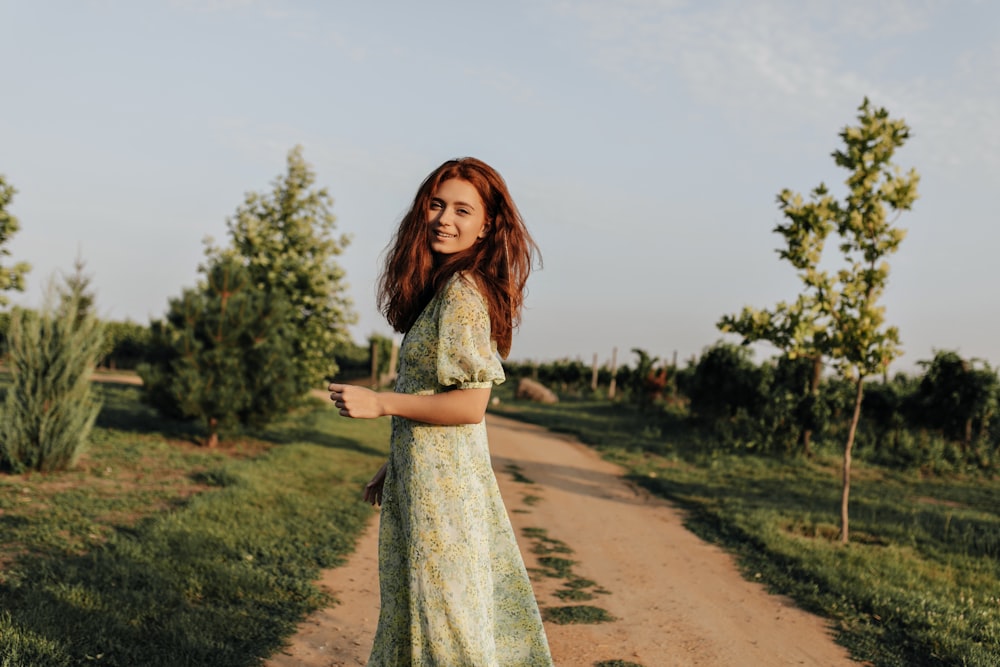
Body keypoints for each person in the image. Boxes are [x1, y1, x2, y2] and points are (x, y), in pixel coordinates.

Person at [327, 157, 554, 666]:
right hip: (427, 478)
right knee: (431, 619)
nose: (443, 219)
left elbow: (471, 405)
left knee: (448, 627)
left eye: (461, 209)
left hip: (444, 491)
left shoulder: (463, 293)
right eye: (436, 204)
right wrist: (396, 460)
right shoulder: (444, 291)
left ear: (487, 224)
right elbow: (435, 398)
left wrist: (380, 402)